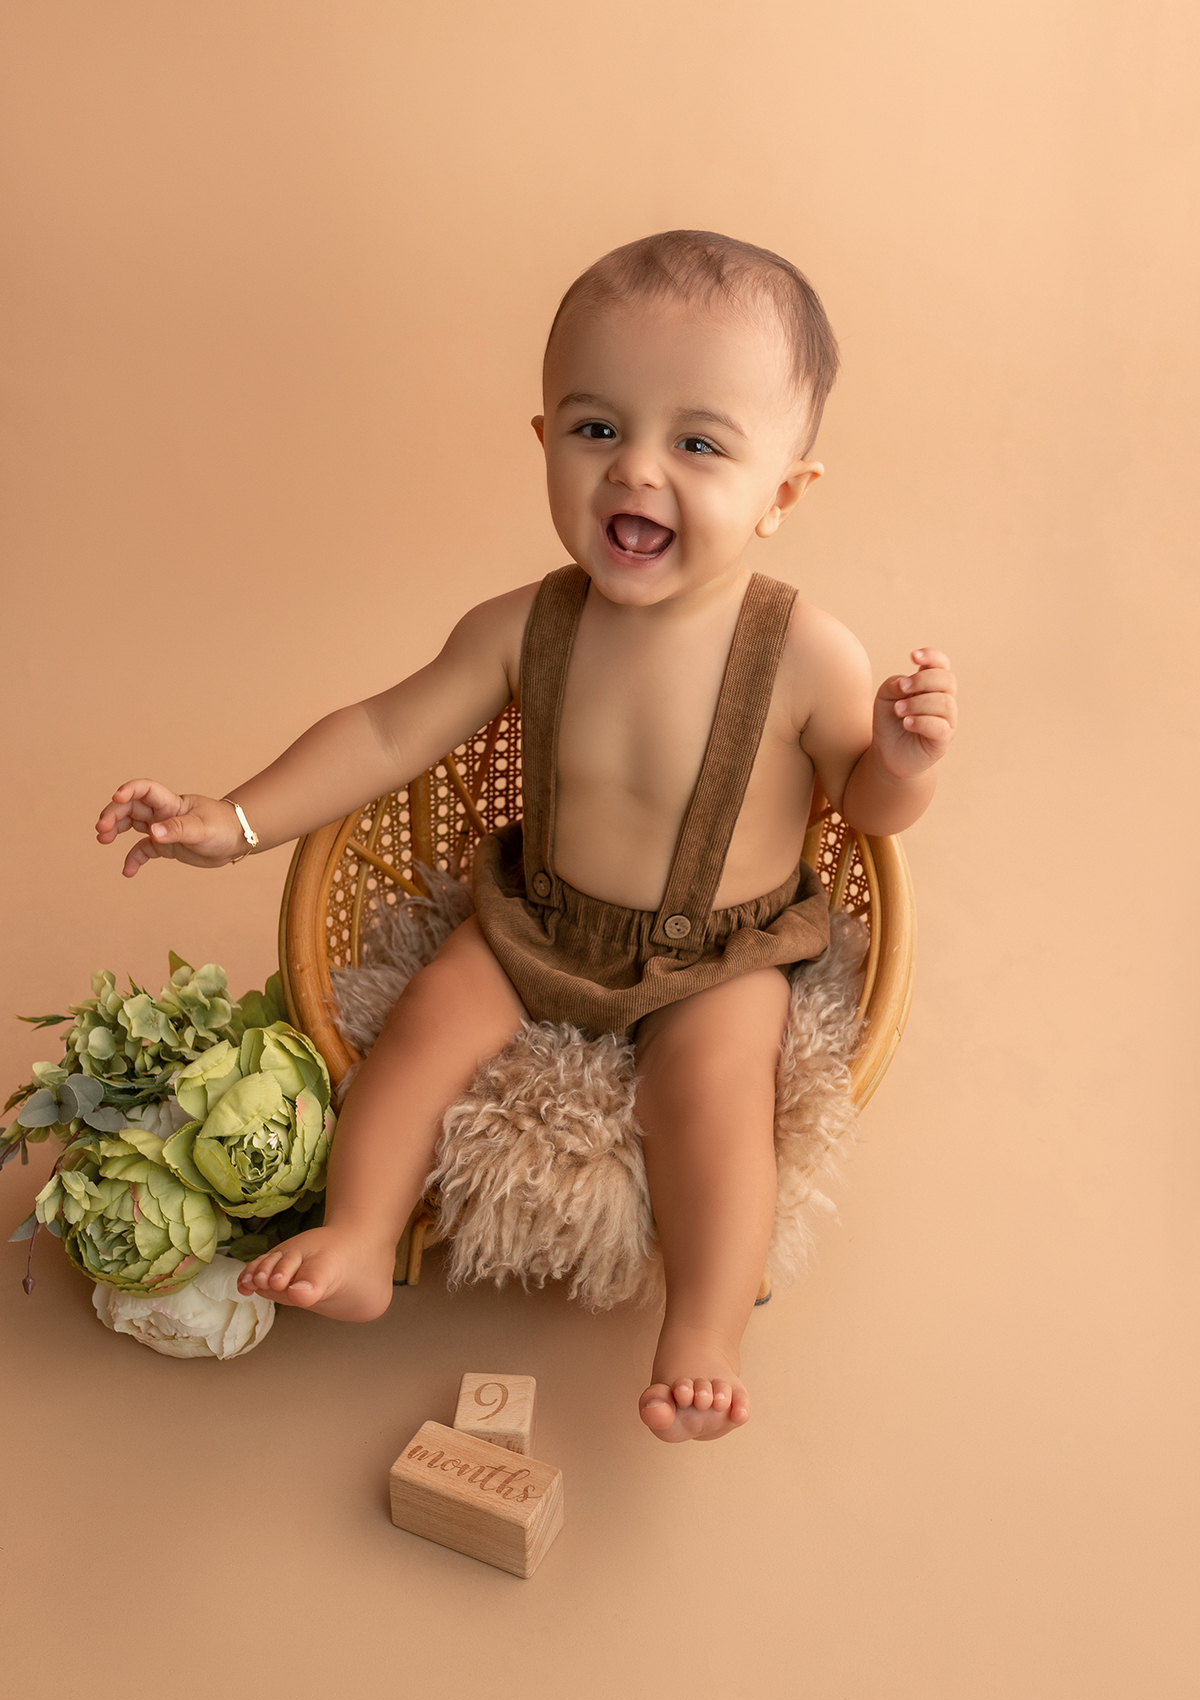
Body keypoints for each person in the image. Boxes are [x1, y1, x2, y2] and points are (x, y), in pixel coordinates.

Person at [94, 231, 957, 1443]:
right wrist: (230, 820)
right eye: (598, 428)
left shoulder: (809, 654)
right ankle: (361, 1236)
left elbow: (860, 810)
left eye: (698, 444)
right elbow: (384, 731)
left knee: (719, 1105)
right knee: (419, 1035)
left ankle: (703, 1332)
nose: (635, 470)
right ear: (546, 439)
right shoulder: (522, 627)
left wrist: (903, 764)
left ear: (782, 494)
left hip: (721, 952)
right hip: (537, 919)